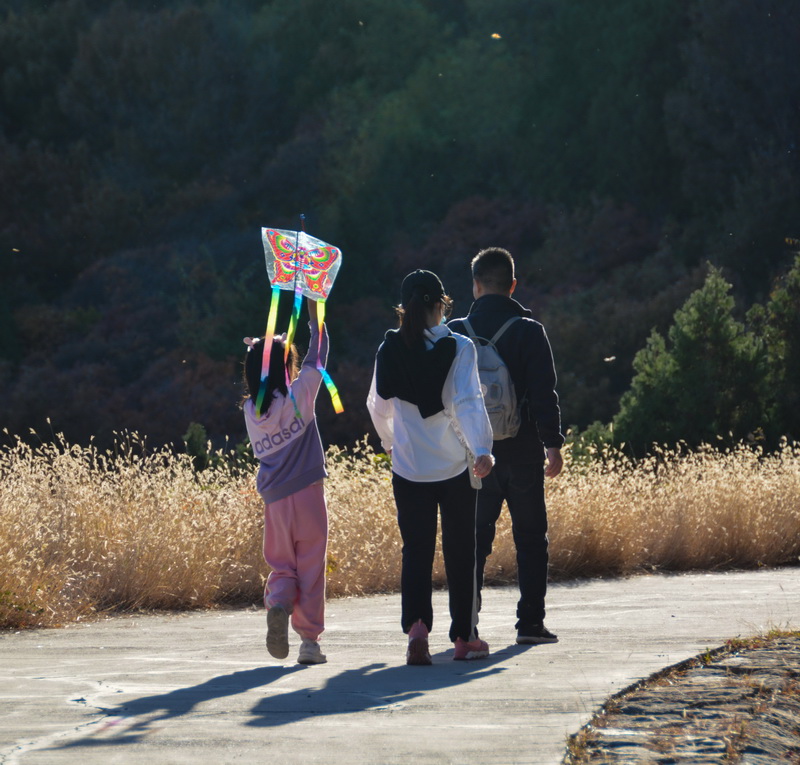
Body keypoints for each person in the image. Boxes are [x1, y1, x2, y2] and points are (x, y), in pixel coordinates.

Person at [367, 269, 495, 665]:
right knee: (461, 551)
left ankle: (418, 629)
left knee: (416, 551)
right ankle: (464, 638)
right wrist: (482, 448)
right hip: (454, 467)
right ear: (441, 305)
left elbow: (378, 406)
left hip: (408, 469)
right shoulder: (459, 347)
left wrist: (391, 443)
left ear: (403, 309)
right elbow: (469, 402)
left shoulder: (389, 348)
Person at [448, 247, 564, 645]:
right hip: (524, 451)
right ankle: (530, 624)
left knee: (473, 541)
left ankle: (467, 625)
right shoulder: (530, 331)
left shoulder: (456, 332)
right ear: (512, 285)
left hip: (473, 456)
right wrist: (553, 444)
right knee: (531, 539)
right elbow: (544, 392)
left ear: (475, 285)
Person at [242, 298, 330, 665]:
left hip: (275, 502)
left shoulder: (250, 411)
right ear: (287, 368)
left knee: (283, 565)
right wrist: (314, 315)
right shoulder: (300, 395)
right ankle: (309, 643)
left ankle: (278, 603)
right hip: (308, 495)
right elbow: (319, 356)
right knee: (311, 567)